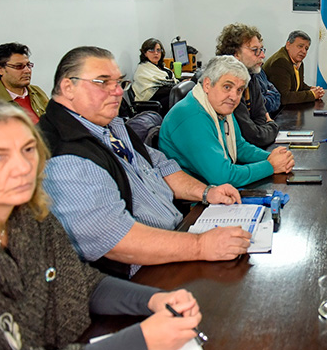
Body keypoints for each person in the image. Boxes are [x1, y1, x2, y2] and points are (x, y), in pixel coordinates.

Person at [0, 95, 202, 350]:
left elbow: (81, 284)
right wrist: (142, 340)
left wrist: (155, 299)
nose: (22, 167)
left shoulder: (32, 218)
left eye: (28, 149)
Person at [38, 46, 251, 279]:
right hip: (139, 273)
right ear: (69, 87)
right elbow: (116, 241)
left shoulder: (110, 125)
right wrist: (200, 246)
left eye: (119, 82)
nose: (118, 92)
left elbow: (160, 165)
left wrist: (206, 192)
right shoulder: (66, 156)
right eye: (103, 82)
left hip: (175, 238)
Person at [160, 56, 295, 187]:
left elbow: (239, 146)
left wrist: (274, 157)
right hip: (198, 201)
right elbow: (222, 177)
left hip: (216, 187)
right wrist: (270, 166)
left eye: (239, 90)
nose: (234, 97)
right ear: (207, 84)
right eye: (227, 87)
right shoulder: (191, 117)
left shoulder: (219, 107)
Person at [216, 23, 279, 148]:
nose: (262, 55)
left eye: (261, 49)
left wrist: (261, 129)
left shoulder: (251, 77)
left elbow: (259, 117)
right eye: (255, 50)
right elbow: (252, 136)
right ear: (235, 54)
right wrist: (272, 126)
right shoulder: (226, 85)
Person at [0, 42, 49, 123]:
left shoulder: (37, 92)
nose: (27, 70)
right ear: (0, 69)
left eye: (28, 65)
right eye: (18, 66)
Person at [263, 30, 325, 105]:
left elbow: (297, 86)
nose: (304, 51)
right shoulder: (280, 62)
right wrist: (312, 95)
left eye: (306, 48)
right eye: (300, 46)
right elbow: (284, 97)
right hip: (277, 113)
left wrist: (311, 89)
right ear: (288, 45)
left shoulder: (298, 61)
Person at [132, 38, 178, 114]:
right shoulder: (142, 70)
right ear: (145, 53)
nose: (156, 53)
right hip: (153, 104)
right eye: (151, 50)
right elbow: (154, 92)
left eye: (158, 50)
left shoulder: (162, 68)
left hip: (165, 98)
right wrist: (174, 87)